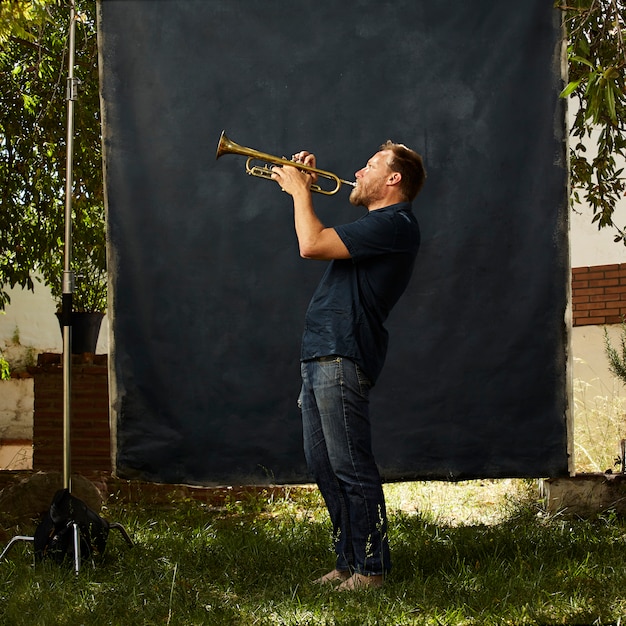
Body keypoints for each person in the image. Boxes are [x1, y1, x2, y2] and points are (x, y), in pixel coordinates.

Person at [271, 140, 426, 591]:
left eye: (371, 165)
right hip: (320, 351)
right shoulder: (376, 225)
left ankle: (372, 570)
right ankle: (348, 562)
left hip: (344, 351)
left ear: (393, 179)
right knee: (324, 466)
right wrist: (306, 191)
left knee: (351, 465)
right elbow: (321, 238)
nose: (358, 171)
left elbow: (311, 244)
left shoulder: (397, 224)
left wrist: (301, 192)